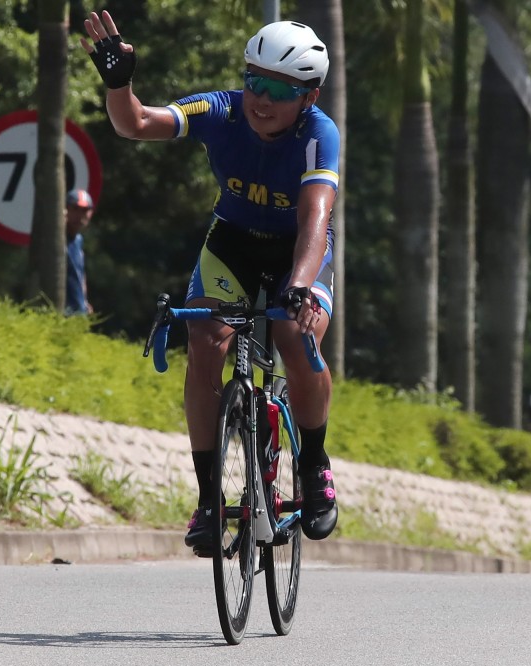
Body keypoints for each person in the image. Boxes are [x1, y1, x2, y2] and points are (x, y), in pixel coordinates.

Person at [82, 11, 340, 548]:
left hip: (300, 249)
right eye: (254, 81)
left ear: (308, 98)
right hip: (234, 243)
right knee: (204, 343)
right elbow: (136, 124)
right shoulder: (220, 110)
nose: (261, 99)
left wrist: (299, 285)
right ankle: (207, 499)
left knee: (295, 337)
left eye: (278, 89)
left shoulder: (319, 134)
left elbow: (315, 217)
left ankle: (313, 466)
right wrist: (118, 84)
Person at [65, 188, 94, 316]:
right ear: (66, 210)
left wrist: (84, 301)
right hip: (62, 311)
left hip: (78, 311)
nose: (80, 215)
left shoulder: (78, 240)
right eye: (75, 209)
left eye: (84, 210)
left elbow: (79, 273)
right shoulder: (57, 238)